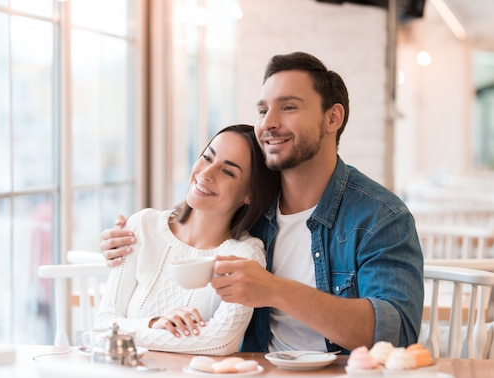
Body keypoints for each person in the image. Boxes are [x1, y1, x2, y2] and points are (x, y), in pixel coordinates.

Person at [99, 51, 424, 354]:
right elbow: (189, 227)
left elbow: (397, 331)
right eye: (262, 110)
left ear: (332, 118)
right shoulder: (251, 211)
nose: (268, 123)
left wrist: (275, 290)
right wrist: (131, 237)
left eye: (289, 107)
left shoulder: (380, 217)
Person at [94, 124, 280, 356]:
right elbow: (102, 325)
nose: (206, 173)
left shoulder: (244, 256)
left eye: (227, 172)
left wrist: (132, 333)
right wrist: (154, 323)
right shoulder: (142, 226)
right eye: (207, 157)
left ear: (250, 194)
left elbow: (221, 343)